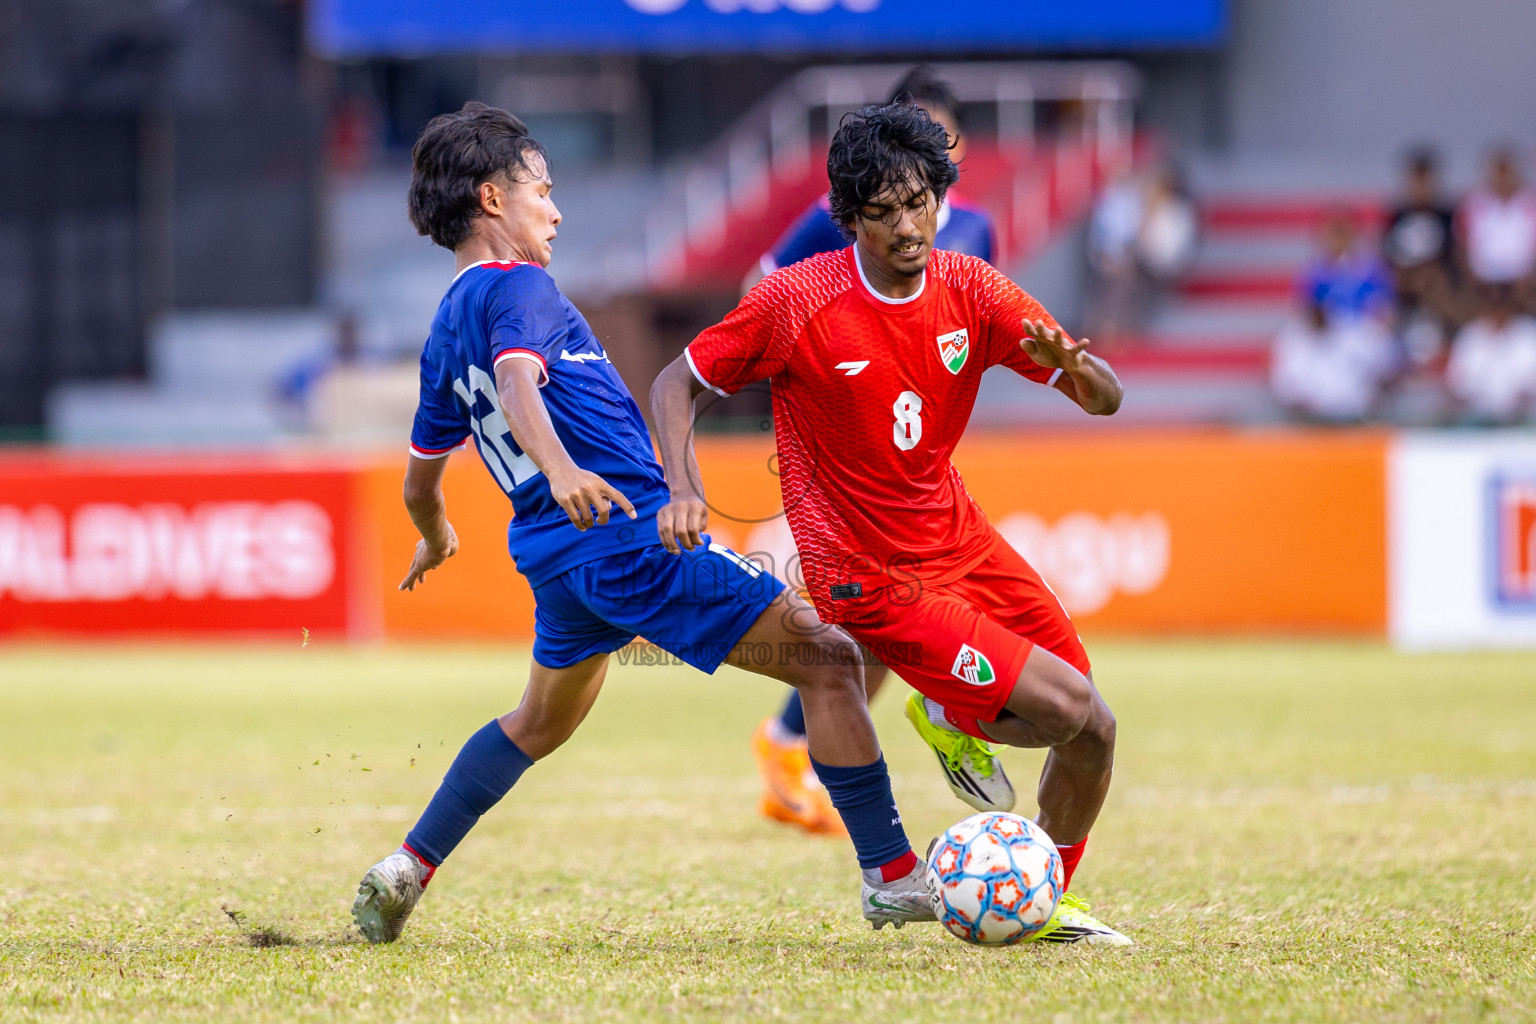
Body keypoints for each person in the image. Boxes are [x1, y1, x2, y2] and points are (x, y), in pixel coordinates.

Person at [350, 102, 934, 944]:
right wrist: (564, 470)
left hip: (559, 564)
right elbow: (516, 384)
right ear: (491, 199)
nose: (556, 211)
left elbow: (420, 476)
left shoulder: (445, 325)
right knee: (831, 659)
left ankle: (409, 864)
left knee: (536, 723)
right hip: (628, 536)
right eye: (542, 191)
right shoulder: (520, 286)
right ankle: (893, 875)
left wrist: (435, 531)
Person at [651, 101, 1132, 945]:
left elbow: (1106, 400)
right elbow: (676, 382)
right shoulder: (798, 299)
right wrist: (682, 488)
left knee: (1092, 725)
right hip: (864, 573)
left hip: (959, 539)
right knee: (1065, 708)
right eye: (882, 212)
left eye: (919, 204)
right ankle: (954, 725)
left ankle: (1044, 894)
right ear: (849, 217)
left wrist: (1082, 373)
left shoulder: (974, 287)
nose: (907, 227)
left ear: (942, 198)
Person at [745, 65, 1002, 838]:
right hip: (850, 450)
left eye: (936, 134)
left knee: (884, 625)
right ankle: (943, 711)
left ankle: (793, 741)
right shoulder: (850, 213)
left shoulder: (977, 230)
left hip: (921, 450)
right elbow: (762, 284)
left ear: (957, 144)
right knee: (898, 603)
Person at [1382, 148, 1457, 363]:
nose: (1421, 189)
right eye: (1416, 182)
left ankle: (1448, 341)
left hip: (1438, 285)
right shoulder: (1397, 216)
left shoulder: (1446, 216)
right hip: (1405, 286)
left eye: (1425, 182)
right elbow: (1387, 255)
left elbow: (1452, 255)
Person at [1445, 284, 1536, 425]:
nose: (1498, 311)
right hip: (1479, 418)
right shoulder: (1471, 335)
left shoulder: (1528, 333)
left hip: (1524, 418)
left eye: (1502, 304)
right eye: (1494, 304)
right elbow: (1456, 384)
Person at [1458, 146, 1536, 305]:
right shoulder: (1472, 203)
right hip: (1482, 282)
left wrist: (1529, 280)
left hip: (1525, 282)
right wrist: (1473, 280)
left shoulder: (1530, 201)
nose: (1502, 178)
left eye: (1506, 171)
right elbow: (1461, 247)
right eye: (1498, 172)